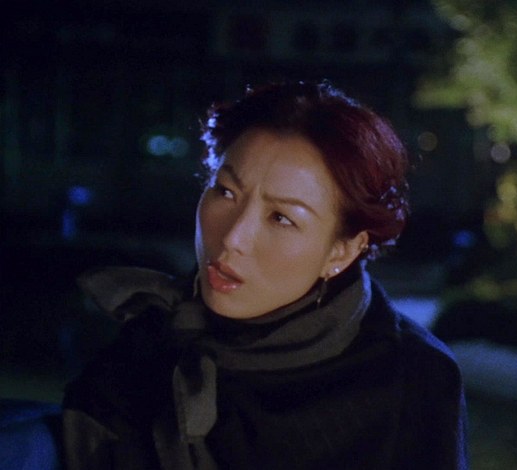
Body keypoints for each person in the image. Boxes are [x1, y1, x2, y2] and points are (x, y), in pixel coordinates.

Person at [62, 80, 468, 469]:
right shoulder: (145, 347)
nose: (233, 238)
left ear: (342, 250)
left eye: (281, 218)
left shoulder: (409, 377)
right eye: (225, 192)